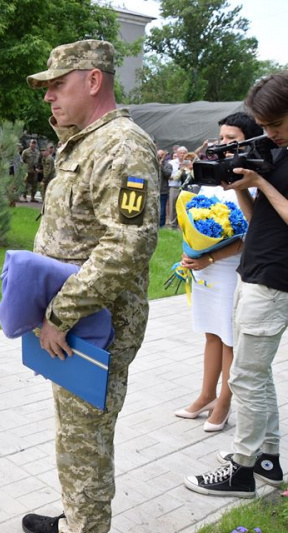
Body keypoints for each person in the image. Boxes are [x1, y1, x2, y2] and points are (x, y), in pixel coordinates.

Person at [21, 40, 159, 533]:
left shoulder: (123, 148)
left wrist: (60, 314)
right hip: (76, 317)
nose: (48, 97)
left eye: (58, 85)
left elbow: (127, 246)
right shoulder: (88, 139)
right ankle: (77, 516)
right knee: (75, 435)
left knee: (85, 443)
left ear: (93, 80)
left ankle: (86, 525)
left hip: (94, 323)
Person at [185, 72, 288, 498]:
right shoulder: (280, 152)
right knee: (256, 375)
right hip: (255, 272)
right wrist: (243, 187)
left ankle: (242, 471)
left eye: (275, 125)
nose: (268, 133)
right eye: (262, 125)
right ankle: (267, 459)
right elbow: (261, 213)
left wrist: (262, 181)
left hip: (275, 282)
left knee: (245, 378)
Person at [174, 112, 262, 433]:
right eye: (222, 137)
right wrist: (190, 250)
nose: (224, 144)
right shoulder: (210, 176)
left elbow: (247, 233)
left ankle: (224, 403)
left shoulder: (253, 180)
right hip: (204, 268)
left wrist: (210, 259)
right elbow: (197, 219)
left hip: (231, 270)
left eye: (232, 139)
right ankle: (206, 395)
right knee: (211, 332)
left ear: (248, 141)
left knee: (229, 339)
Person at [166, 146, 188, 227]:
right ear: (177, 154)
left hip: (185, 188)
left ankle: (182, 225)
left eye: (184, 153)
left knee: (184, 206)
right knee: (172, 206)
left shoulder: (189, 163)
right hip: (174, 187)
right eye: (180, 153)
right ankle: (172, 224)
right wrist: (179, 172)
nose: (182, 155)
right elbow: (168, 176)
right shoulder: (171, 163)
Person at [157, 149, 171, 226]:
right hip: (154, 190)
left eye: (161, 155)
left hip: (163, 190)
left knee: (162, 210)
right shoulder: (153, 164)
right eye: (158, 155)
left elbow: (168, 174)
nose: (160, 157)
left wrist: (161, 166)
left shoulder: (168, 165)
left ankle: (161, 226)